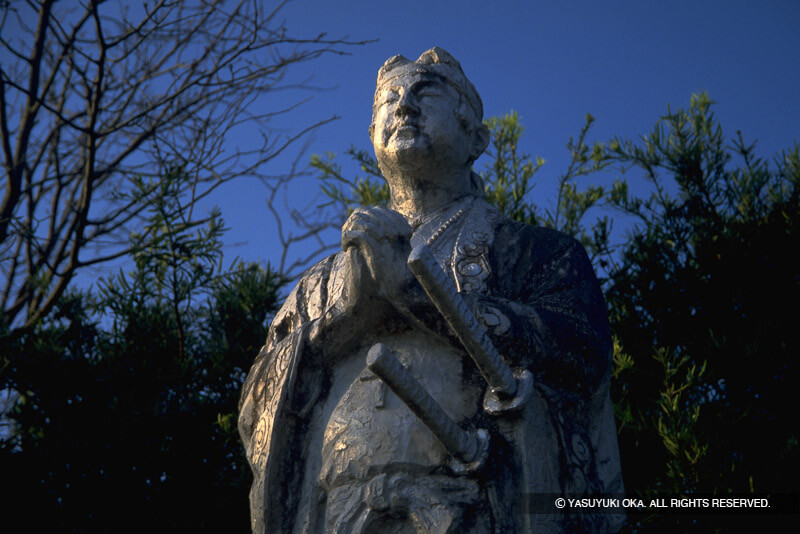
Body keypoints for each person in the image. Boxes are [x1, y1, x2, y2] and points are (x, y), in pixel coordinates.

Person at [239, 47, 624, 533]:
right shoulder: (321, 283)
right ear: (373, 136)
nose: (403, 107)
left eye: (426, 93)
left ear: (476, 137)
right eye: (389, 100)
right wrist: (345, 319)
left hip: (474, 495)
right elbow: (255, 408)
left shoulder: (532, 252)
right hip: (336, 505)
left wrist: (415, 296)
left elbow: (579, 352)